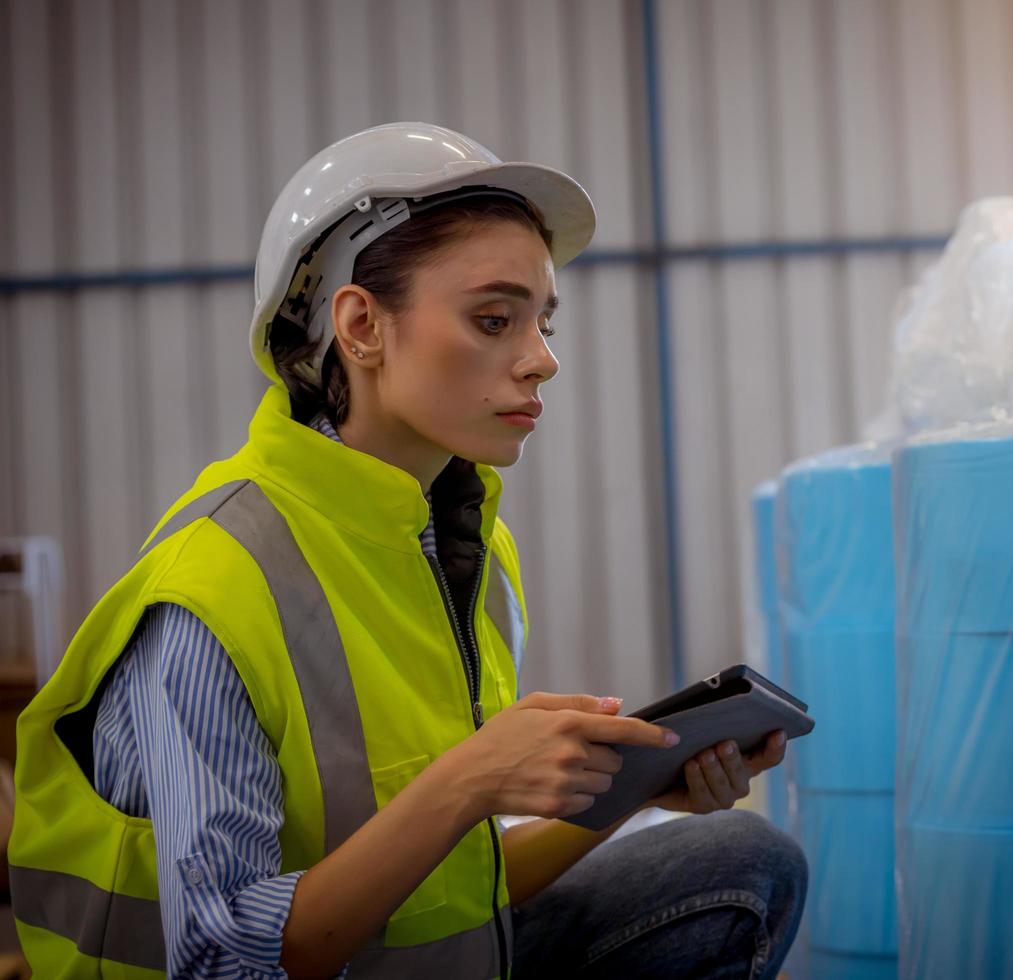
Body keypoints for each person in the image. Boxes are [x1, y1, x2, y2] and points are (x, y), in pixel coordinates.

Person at [9, 122, 806, 979]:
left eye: (542, 322)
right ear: (360, 326)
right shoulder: (216, 588)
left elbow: (458, 889)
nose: (542, 362)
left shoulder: (468, 549)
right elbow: (223, 961)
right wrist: (469, 779)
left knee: (741, 863)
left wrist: (629, 793)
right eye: (494, 318)